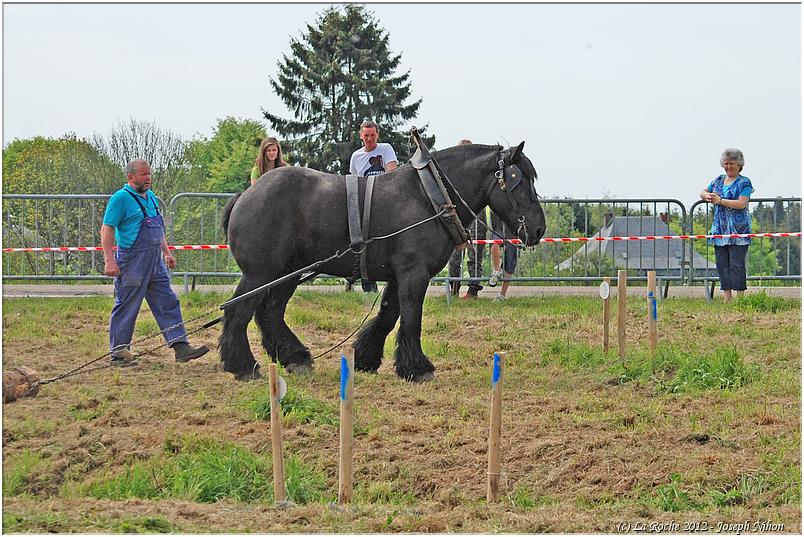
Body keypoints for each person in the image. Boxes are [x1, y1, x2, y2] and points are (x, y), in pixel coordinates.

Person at [102, 159, 210, 367]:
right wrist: (110, 260)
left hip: (155, 262)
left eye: (149, 173)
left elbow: (158, 230)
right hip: (132, 262)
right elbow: (107, 229)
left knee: (167, 301)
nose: (148, 178)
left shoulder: (151, 198)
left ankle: (181, 347)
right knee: (127, 306)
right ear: (130, 177)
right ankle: (118, 354)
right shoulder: (120, 199)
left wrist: (167, 253)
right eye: (143, 174)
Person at [348, 120, 398, 293]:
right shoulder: (356, 156)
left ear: (377, 134)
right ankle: (366, 284)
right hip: (364, 202)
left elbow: (392, 173)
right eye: (366, 135)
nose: (369, 139)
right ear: (361, 135)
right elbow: (353, 181)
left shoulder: (385, 149)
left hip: (383, 200)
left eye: (372, 135)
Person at [699, 148, 754, 303]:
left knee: (737, 265)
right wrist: (707, 196)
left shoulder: (744, 182)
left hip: (738, 230)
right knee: (722, 264)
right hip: (720, 230)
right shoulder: (718, 180)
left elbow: (742, 203)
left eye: (732, 163)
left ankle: (740, 298)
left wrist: (721, 201)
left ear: (739, 165)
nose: (729, 167)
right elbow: (702, 192)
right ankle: (727, 298)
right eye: (726, 163)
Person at [447, 139, 486, 299]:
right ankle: (454, 288)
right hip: (458, 216)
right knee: (454, 255)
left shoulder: (479, 171)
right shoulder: (453, 171)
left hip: (476, 215)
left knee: (475, 253)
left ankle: (473, 289)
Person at [488, 211, 519, 302]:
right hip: (499, 228)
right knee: (495, 243)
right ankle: (497, 270)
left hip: (514, 231)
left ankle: (502, 294)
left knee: (510, 260)